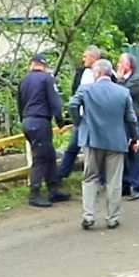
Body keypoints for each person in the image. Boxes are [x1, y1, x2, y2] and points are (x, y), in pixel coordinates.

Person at [68, 59, 139, 229]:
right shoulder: (122, 92)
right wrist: (134, 138)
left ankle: (88, 215)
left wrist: (79, 123)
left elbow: (72, 105)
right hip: (116, 140)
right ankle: (112, 218)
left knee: (90, 178)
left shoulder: (86, 89)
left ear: (98, 73)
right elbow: (131, 118)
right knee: (114, 180)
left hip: (92, 139)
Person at [17, 54, 70, 209]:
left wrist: (24, 119)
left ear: (31, 64)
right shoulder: (47, 79)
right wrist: (60, 121)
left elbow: (19, 103)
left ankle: (54, 188)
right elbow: (55, 102)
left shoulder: (24, 80)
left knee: (49, 154)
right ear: (43, 65)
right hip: (40, 121)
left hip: (28, 121)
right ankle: (34, 193)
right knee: (40, 158)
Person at [55, 46, 101, 183]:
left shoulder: (105, 71)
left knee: (96, 149)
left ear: (94, 57)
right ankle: (61, 175)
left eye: (85, 56)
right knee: (72, 147)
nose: (83, 59)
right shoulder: (81, 73)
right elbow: (75, 93)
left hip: (97, 118)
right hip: (81, 117)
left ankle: (98, 178)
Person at [115, 52, 139, 200]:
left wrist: (119, 79)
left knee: (133, 152)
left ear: (129, 65)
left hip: (131, 120)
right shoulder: (117, 79)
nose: (118, 64)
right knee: (122, 152)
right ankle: (125, 184)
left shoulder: (137, 80)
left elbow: (121, 94)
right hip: (119, 120)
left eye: (121, 62)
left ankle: (137, 186)